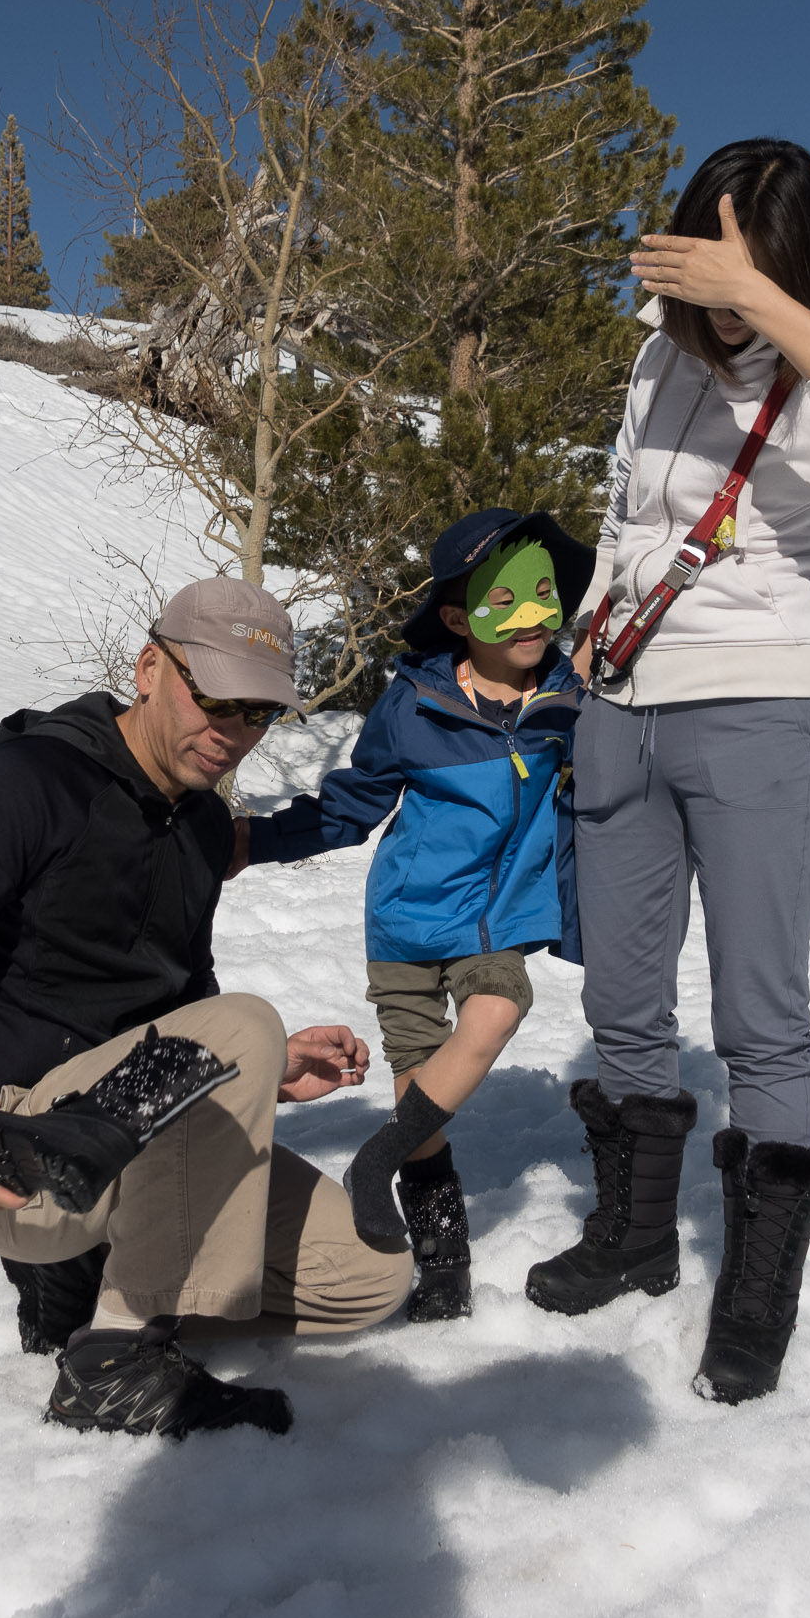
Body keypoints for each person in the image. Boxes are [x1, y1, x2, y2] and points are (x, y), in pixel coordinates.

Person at [523, 139, 810, 1405]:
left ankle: (756, 1294)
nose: (707, 256)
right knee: (623, 996)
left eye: (734, 236)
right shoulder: (660, 353)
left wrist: (759, 300)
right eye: (696, 228)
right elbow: (626, 516)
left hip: (757, 703)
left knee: (761, 1013)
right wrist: (588, 632)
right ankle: (638, 1237)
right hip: (621, 699)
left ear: (788, 250)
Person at [0, 577, 412, 1438]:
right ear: (150, 667)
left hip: (129, 1148)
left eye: (259, 712)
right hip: (13, 1153)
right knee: (243, 1025)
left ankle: (95, 1291)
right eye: (215, 696)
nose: (233, 731)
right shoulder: (21, 783)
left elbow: (182, 1010)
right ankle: (115, 1358)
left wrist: (264, 1071)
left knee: (370, 1274)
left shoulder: (197, 828)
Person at [241, 509, 592, 1321]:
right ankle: (443, 1261)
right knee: (420, 1107)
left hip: (494, 922)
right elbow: (351, 808)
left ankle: (373, 1162)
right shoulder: (415, 705)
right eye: (511, 599)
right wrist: (252, 841)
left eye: (547, 591)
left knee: (499, 1008)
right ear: (460, 618)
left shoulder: (571, 702)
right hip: (404, 925)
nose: (537, 612)